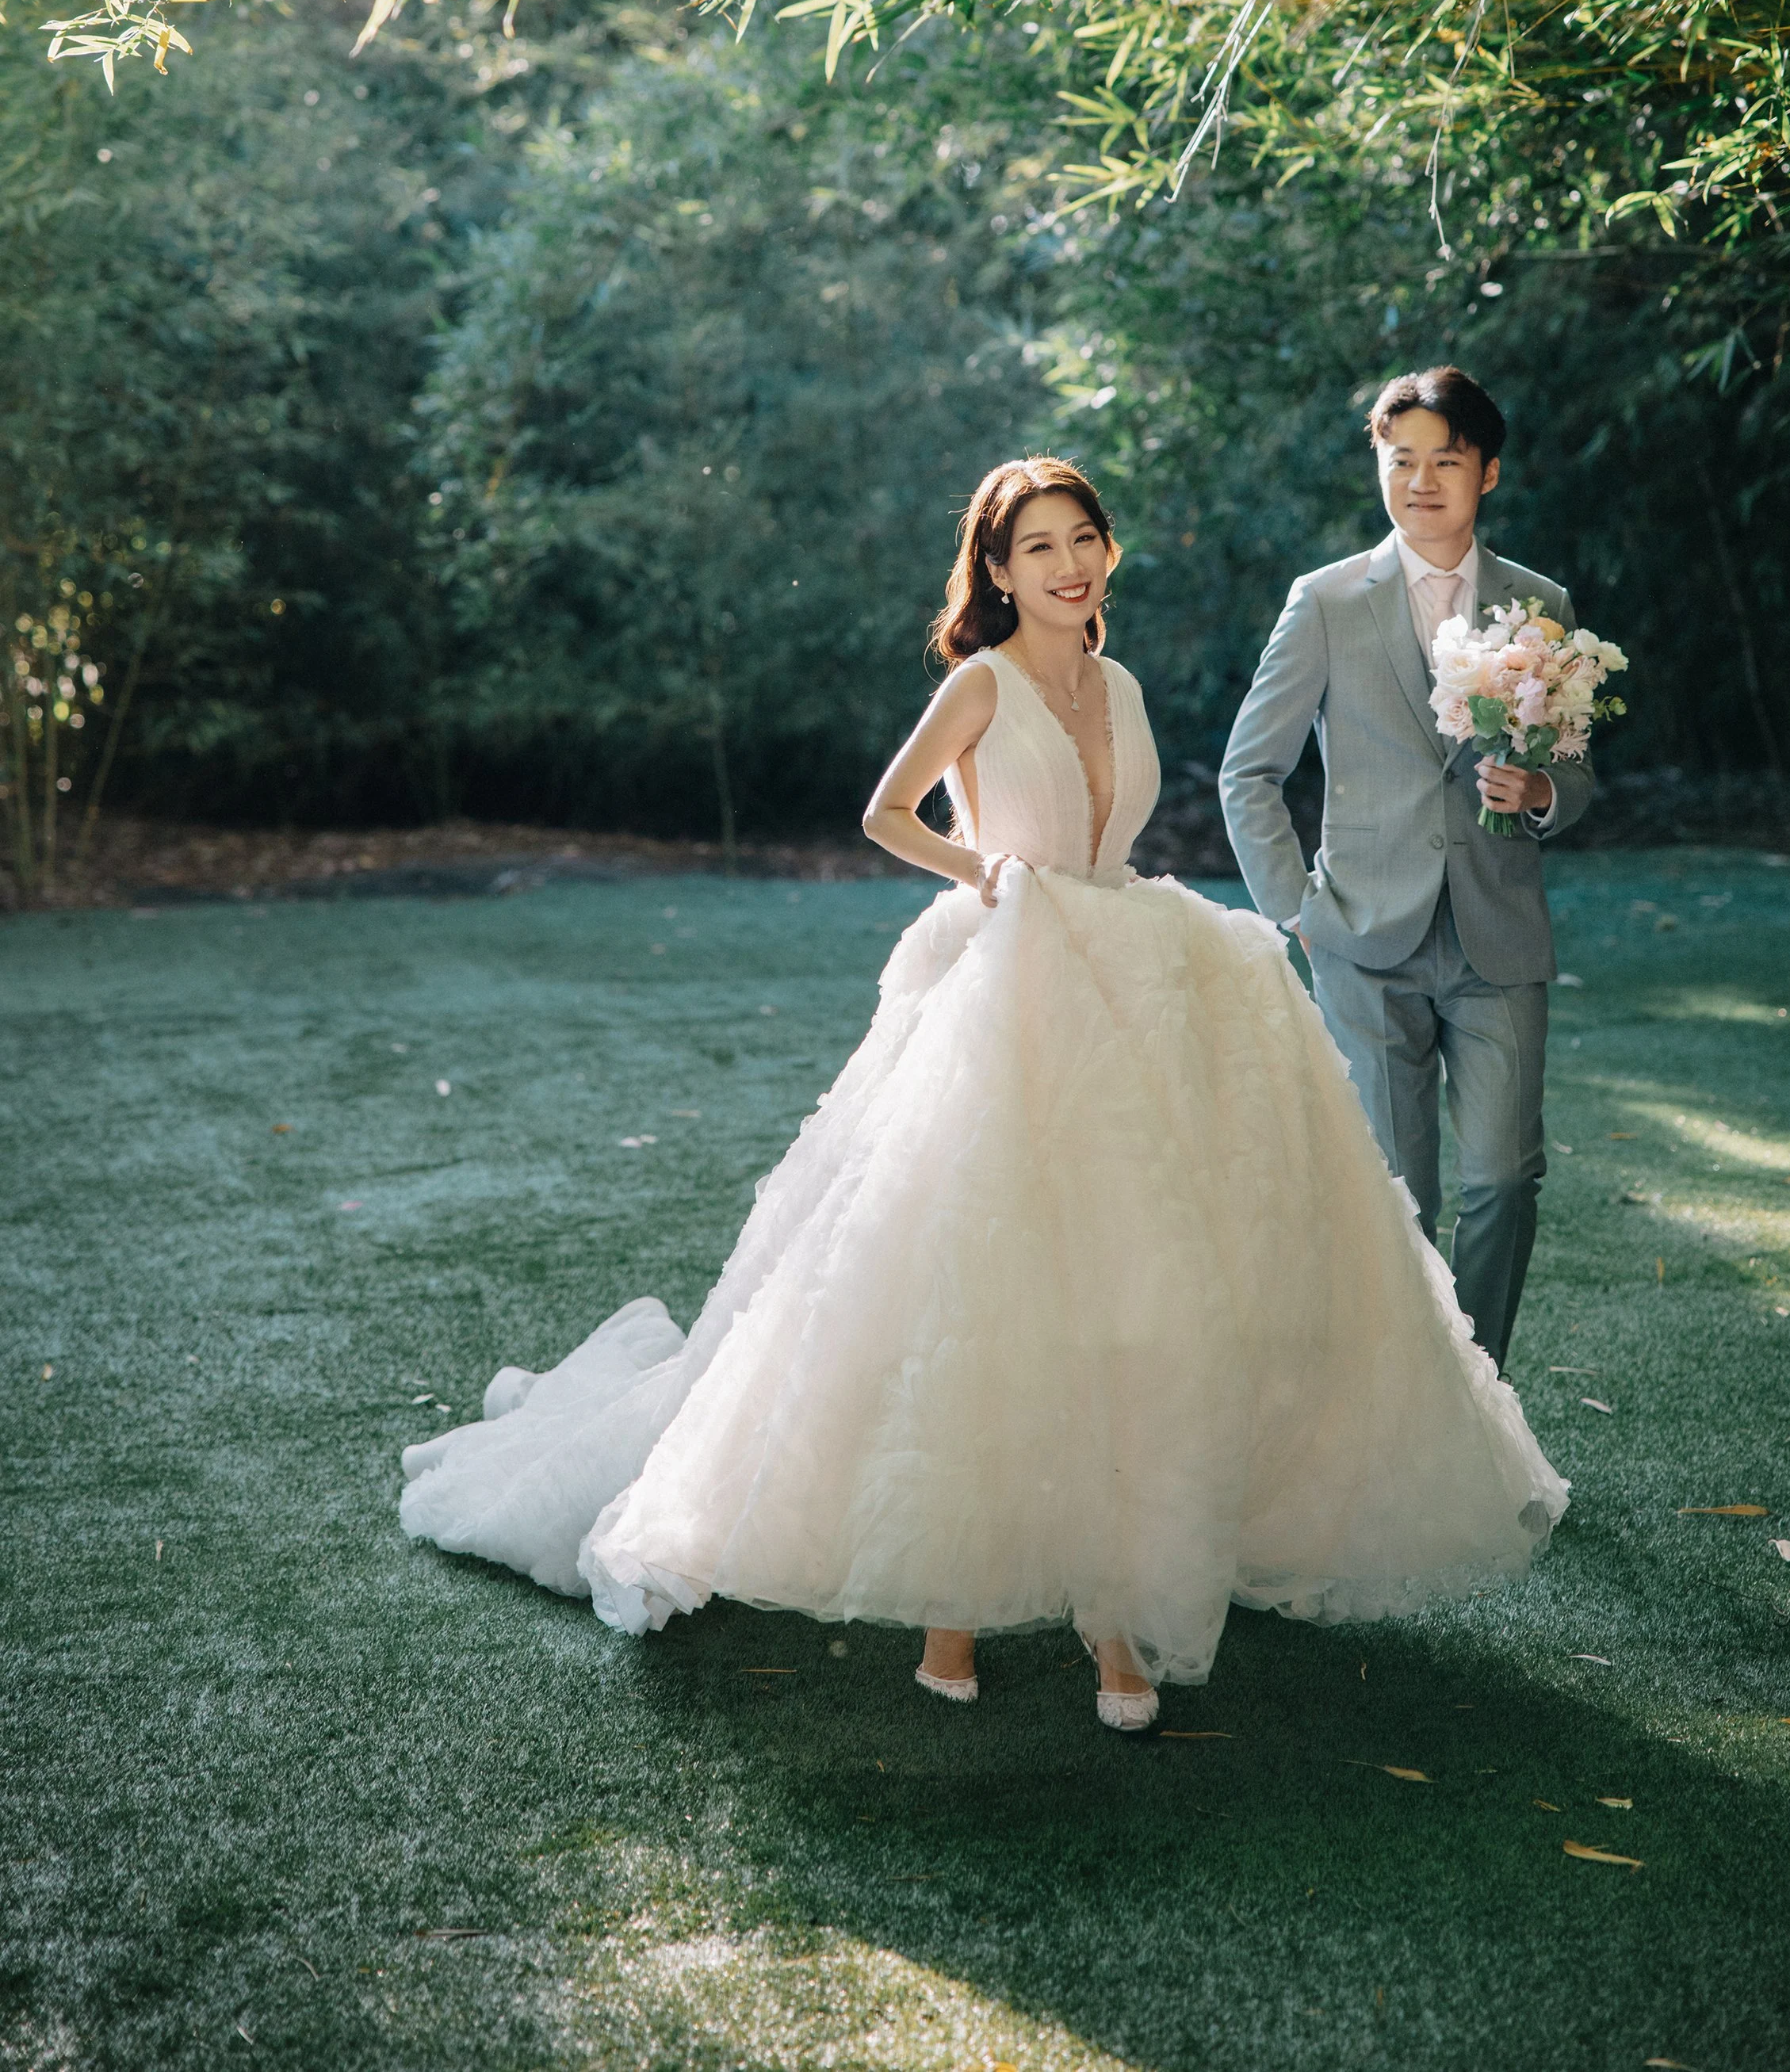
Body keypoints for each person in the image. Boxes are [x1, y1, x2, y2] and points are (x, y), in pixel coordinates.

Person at [401, 455, 1565, 1726]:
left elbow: (1117, 838)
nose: (1067, 565)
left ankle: (1113, 1594)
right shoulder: (983, 681)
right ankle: (953, 1596)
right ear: (999, 574)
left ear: (1106, 554)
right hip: (1012, 986)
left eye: (1084, 541)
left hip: (1136, 971)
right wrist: (983, 873)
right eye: (1037, 549)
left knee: (1142, 1282)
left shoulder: (1116, 680)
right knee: (980, 1278)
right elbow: (887, 811)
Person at [1219, 369, 1590, 1371]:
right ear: (1379, 468)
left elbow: (1575, 767)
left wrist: (1543, 795)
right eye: (1401, 462)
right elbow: (1249, 770)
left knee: (1507, 1178)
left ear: (1488, 472)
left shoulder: (1538, 604)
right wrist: (1296, 909)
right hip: (1361, 939)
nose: (1420, 482)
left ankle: (1480, 1395)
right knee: (1399, 1197)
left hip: (1496, 934)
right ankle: (1408, 1413)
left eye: (1446, 461)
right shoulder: (1328, 600)